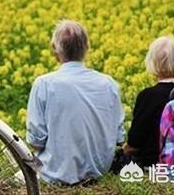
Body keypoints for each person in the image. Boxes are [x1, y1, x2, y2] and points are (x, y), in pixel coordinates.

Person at [26, 20, 125, 185]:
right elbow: (120, 138)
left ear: (55, 51)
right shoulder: (109, 84)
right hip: (100, 172)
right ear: (87, 48)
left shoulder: (44, 84)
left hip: (54, 175)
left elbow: (35, 140)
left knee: (21, 169)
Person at [122, 35, 174, 167]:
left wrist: (123, 151)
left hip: (154, 162)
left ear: (152, 62)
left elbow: (135, 142)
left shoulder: (147, 96)